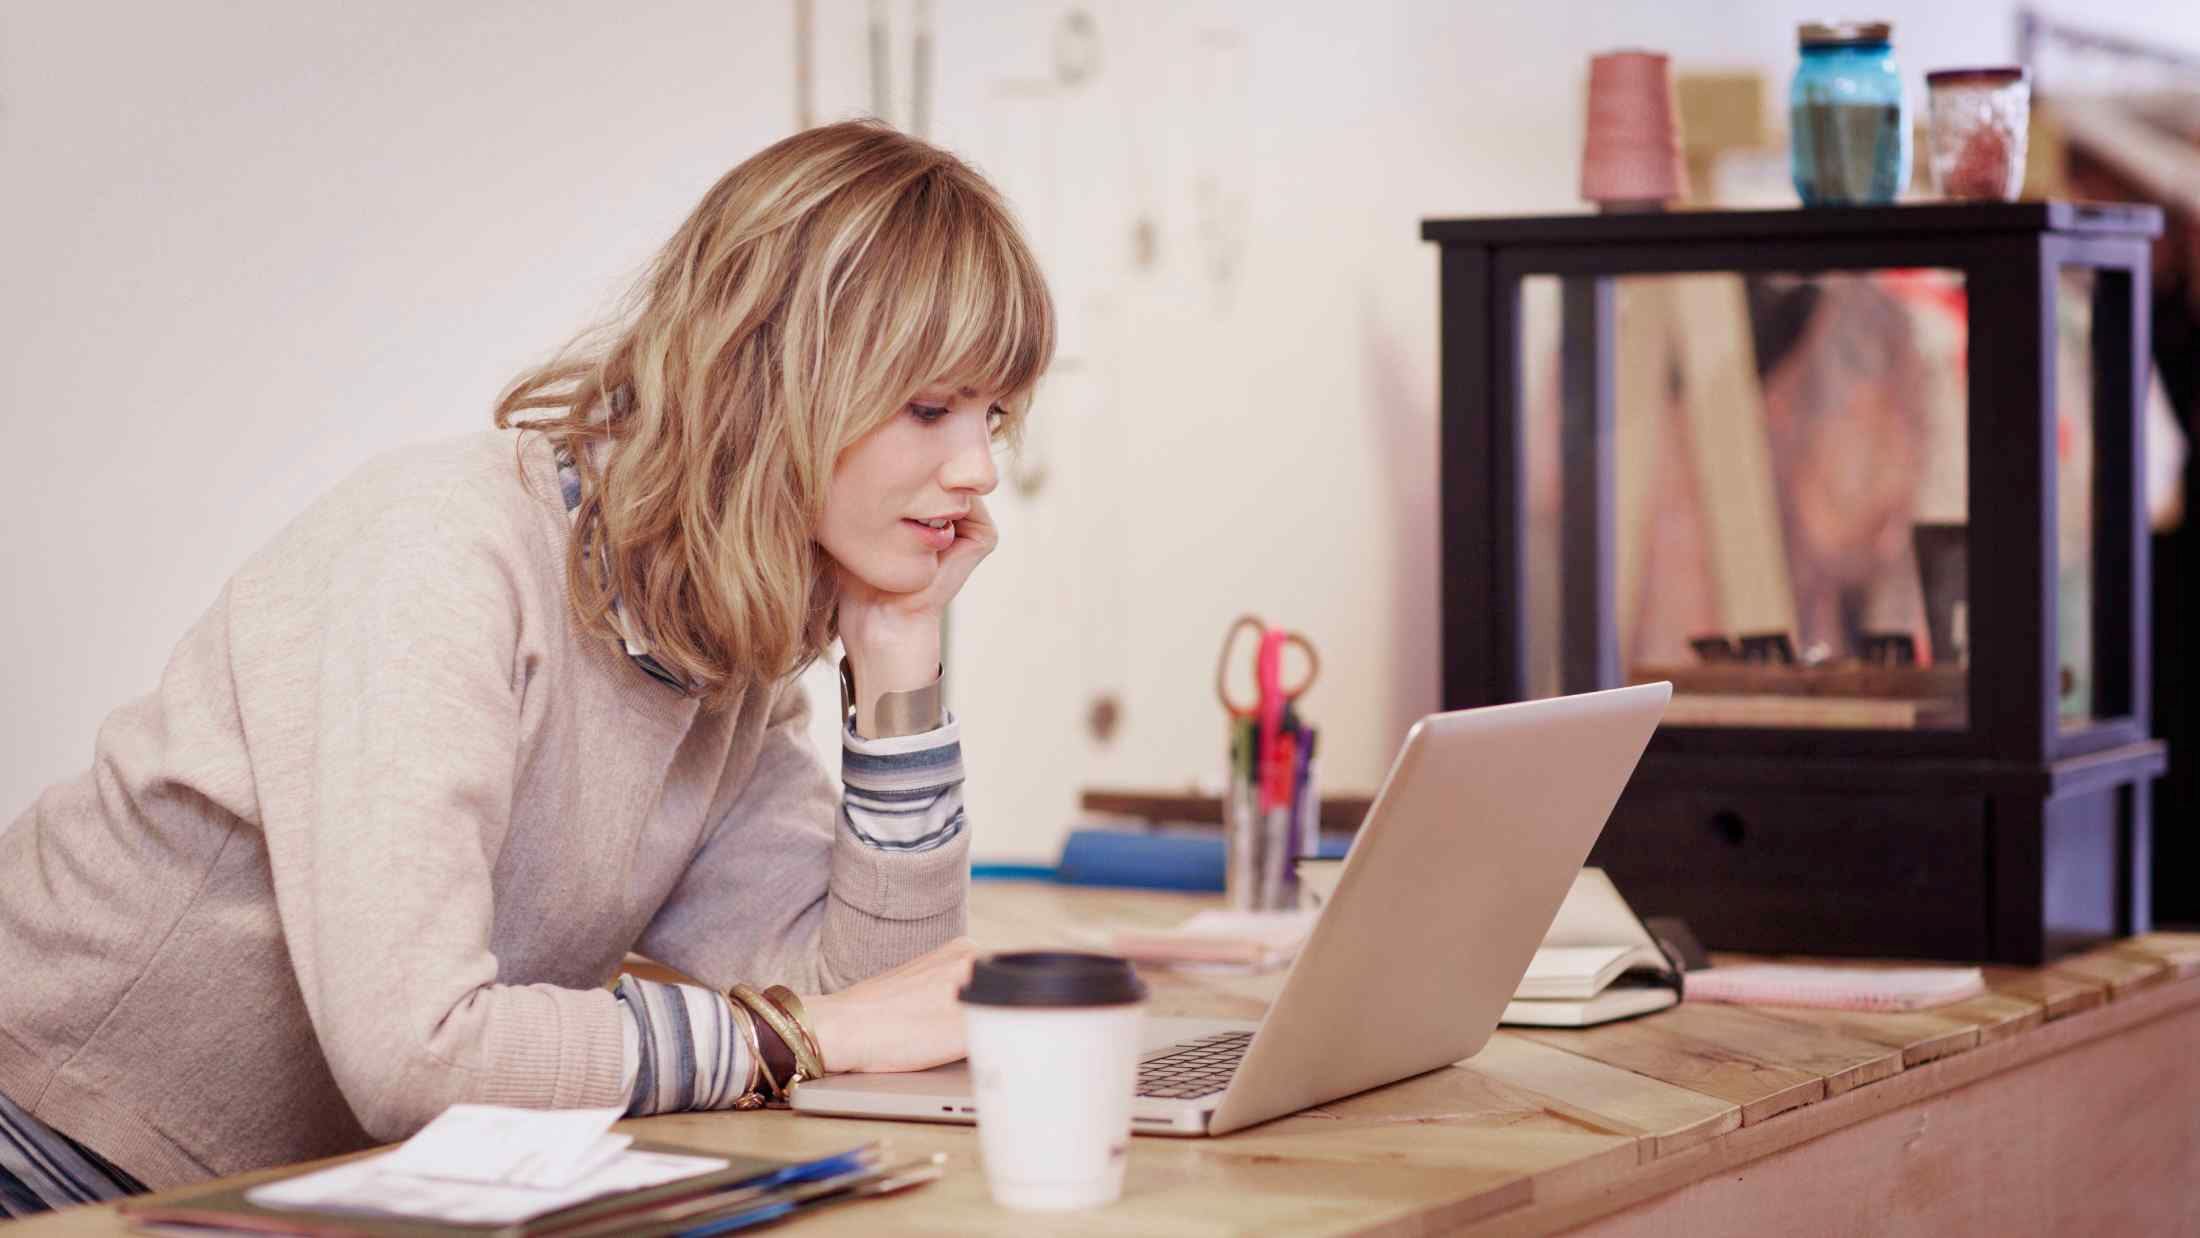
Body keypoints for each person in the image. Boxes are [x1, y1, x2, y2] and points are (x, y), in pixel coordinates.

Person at [0, 118, 1054, 1215]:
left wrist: (897, 662)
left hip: (257, 1196)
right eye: (929, 408)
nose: (978, 467)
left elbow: (887, 1004)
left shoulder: (715, 659)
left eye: (994, 415)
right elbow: (421, 1052)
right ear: (771, 375)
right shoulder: (442, 557)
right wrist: (789, 1035)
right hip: (44, 1156)